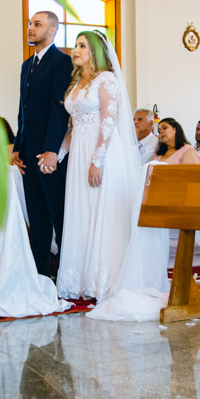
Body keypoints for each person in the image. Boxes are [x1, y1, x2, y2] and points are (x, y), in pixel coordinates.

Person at [54, 31, 141, 301]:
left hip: (101, 153)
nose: (75, 50)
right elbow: (74, 127)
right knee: (82, 211)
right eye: (75, 45)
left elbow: (108, 121)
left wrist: (97, 160)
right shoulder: (77, 83)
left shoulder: (106, 79)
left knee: (101, 213)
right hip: (79, 155)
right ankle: (81, 278)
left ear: (95, 51)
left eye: (82, 45)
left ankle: (104, 279)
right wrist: (58, 155)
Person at [13, 11, 74, 278]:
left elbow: (59, 109)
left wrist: (52, 149)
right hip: (28, 150)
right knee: (36, 216)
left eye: (37, 24)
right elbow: (22, 108)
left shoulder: (61, 62)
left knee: (57, 214)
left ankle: (64, 273)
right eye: (30, 23)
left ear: (52, 31)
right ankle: (39, 274)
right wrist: (17, 146)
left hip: (48, 152)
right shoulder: (27, 65)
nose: (30, 28)